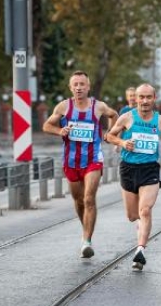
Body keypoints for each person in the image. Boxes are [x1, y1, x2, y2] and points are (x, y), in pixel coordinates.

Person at [42, 70, 118, 258]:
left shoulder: (98, 106)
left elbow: (114, 114)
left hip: (93, 159)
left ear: (88, 87)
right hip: (71, 161)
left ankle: (86, 241)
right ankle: (86, 227)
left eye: (82, 84)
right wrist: (60, 131)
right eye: (75, 84)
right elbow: (46, 126)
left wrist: (110, 134)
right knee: (78, 200)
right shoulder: (63, 107)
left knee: (89, 198)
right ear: (70, 88)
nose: (79, 87)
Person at [105, 83, 161, 271]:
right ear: (135, 98)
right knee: (132, 215)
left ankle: (140, 250)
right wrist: (122, 141)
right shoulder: (127, 117)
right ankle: (140, 229)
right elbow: (108, 136)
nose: (144, 101)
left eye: (148, 97)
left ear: (154, 98)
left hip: (150, 169)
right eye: (141, 97)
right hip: (128, 168)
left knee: (145, 210)